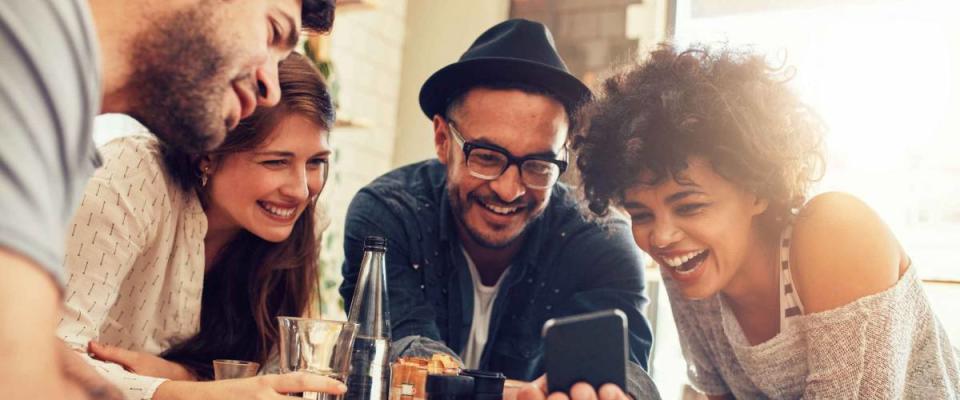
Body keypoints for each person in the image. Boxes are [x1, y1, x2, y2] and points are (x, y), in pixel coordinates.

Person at [573, 44, 960, 398]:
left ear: (756, 189)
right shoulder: (693, 269)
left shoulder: (836, 231)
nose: (661, 236)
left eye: (689, 206)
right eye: (640, 214)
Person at [0, 0, 334, 398]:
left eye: (315, 162)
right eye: (272, 32)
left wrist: (187, 379)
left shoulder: (58, 112)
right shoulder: (26, 44)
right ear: (208, 158)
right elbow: (26, 364)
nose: (269, 87)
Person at [340, 19, 655, 400]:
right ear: (442, 140)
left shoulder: (601, 239)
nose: (510, 190)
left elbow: (627, 373)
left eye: (539, 165)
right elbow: (399, 359)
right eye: (487, 158)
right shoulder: (388, 216)